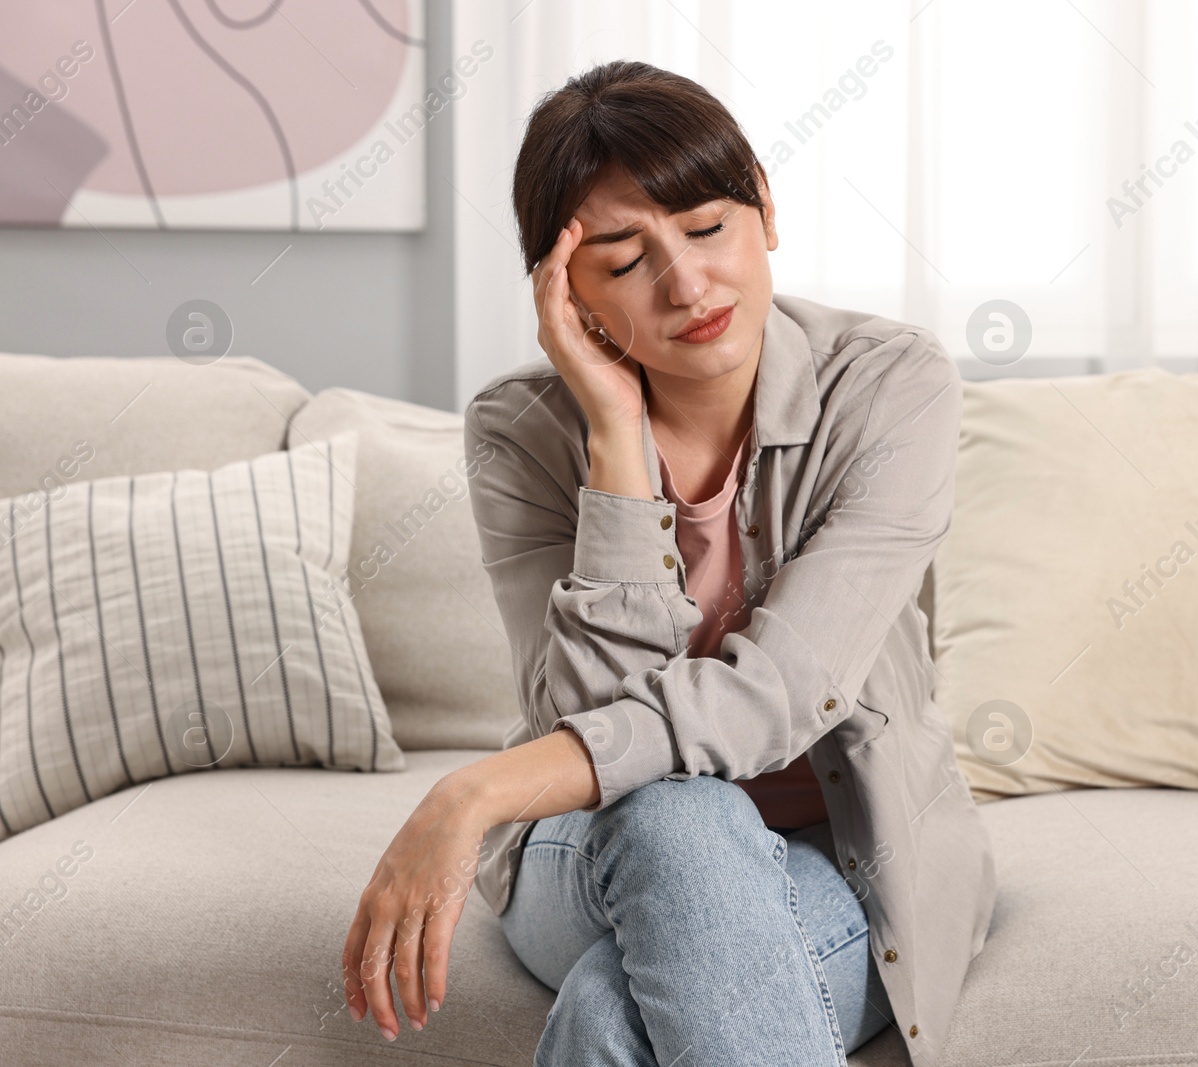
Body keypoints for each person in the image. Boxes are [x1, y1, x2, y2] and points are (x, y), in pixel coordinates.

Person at [341, 59, 996, 1067]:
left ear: (764, 211)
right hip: (589, 847)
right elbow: (588, 714)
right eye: (622, 257)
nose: (688, 285)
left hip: (848, 845)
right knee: (672, 812)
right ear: (565, 292)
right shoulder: (523, 432)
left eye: (705, 228)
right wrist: (614, 438)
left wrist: (472, 791)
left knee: (612, 1018)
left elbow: (782, 695)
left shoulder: (889, 386)